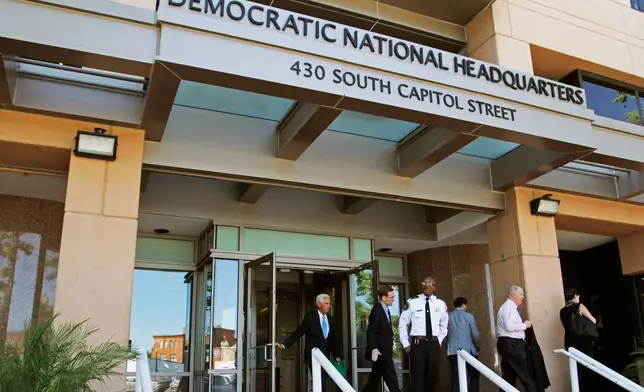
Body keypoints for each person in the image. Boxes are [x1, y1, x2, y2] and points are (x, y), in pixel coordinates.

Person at [279, 293, 340, 392]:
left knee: (324, 379)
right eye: (327, 303)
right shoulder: (310, 317)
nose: (329, 306)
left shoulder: (331, 319)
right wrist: (285, 344)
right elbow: (299, 332)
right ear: (319, 304)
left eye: (329, 304)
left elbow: (333, 338)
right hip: (314, 355)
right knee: (319, 378)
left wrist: (337, 355)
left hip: (326, 355)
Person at [399, 276, 448, 392]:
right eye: (424, 283)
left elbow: (444, 325)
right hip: (418, 344)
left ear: (434, 287)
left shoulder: (441, 304)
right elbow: (402, 323)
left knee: (433, 378)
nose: (427, 285)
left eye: (430, 283)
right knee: (417, 378)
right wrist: (405, 344)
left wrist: (439, 340)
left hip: (434, 344)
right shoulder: (412, 302)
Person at [496, 285, 537, 392]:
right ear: (514, 295)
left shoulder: (509, 307)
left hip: (509, 345)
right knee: (526, 374)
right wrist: (525, 325)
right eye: (521, 294)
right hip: (513, 345)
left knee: (509, 377)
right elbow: (509, 326)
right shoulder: (509, 307)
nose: (523, 297)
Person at [361, 286, 401, 392]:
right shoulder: (377, 311)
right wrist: (374, 348)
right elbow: (371, 331)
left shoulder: (385, 309)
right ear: (383, 297)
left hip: (384, 351)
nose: (393, 299)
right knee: (392, 379)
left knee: (374, 380)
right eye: (391, 297)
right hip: (381, 352)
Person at [560, 288, 597, 392]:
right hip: (583, 340)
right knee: (588, 367)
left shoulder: (562, 311)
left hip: (570, 342)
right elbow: (593, 320)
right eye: (578, 296)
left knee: (576, 369)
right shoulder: (579, 306)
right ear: (575, 296)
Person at [447, 297, 480, 392]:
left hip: (453, 351)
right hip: (468, 350)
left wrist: (448, 344)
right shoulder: (469, 316)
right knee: (474, 375)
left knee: (456, 377)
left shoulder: (448, 316)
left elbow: (444, 334)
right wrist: (477, 346)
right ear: (463, 305)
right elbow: (475, 334)